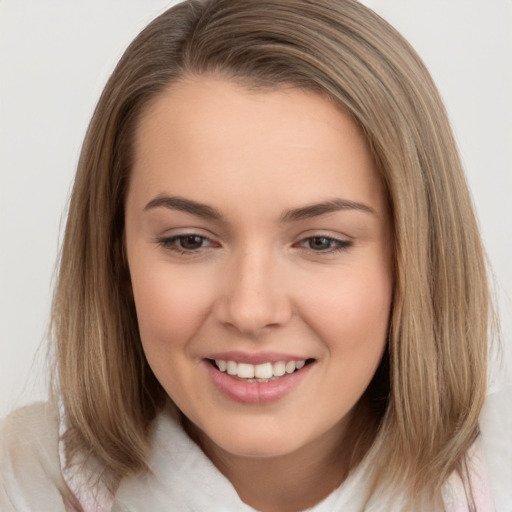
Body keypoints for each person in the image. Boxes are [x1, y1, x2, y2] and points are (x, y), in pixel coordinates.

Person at [1, 0, 510, 510]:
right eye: (190, 240)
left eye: (320, 242)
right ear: (118, 254)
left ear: (417, 256)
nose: (250, 310)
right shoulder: (26, 481)